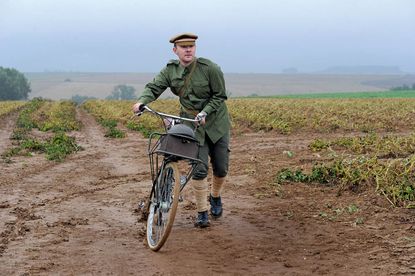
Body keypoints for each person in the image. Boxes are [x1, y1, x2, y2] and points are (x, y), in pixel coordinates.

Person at [132, 33, 231, 228]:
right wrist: (142, 101)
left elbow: (220, 96)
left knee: (221, 167)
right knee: (199, 167)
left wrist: (205, 112)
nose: (188, 50)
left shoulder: (210, 68)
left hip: (216, 122)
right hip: (191, 123)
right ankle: (202, 212)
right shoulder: (171, 71)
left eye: (191, 46)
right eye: (183, 47)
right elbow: (154, 87)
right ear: (175, 50)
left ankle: (216, 196)